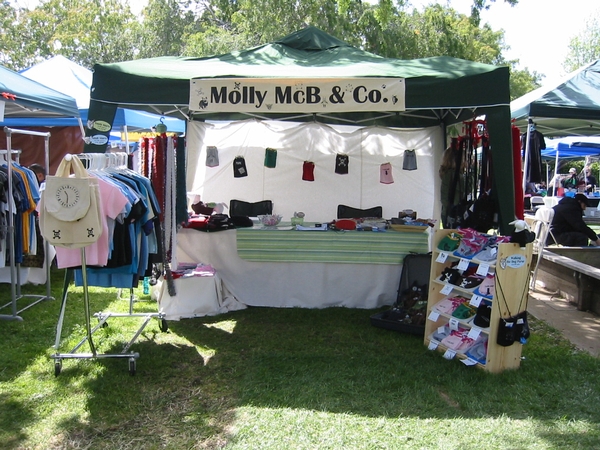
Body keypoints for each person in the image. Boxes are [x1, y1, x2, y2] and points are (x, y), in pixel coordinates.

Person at [439, 145, 466, 228]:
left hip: (448, 212)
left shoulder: (447, 174)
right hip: (454, 213)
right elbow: (466, 188)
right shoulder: (454, 175)